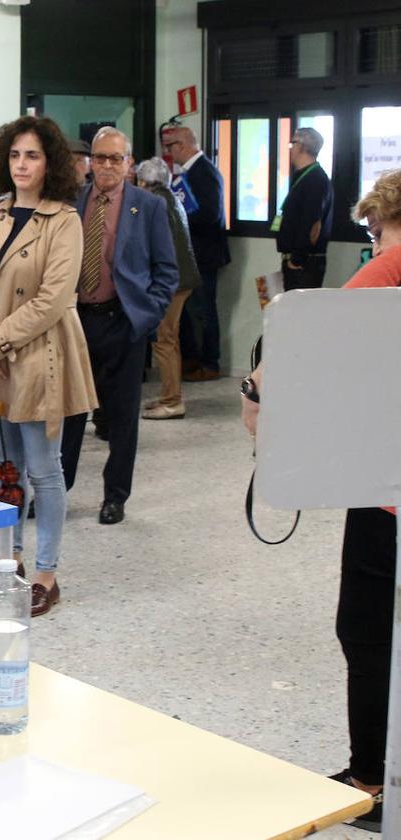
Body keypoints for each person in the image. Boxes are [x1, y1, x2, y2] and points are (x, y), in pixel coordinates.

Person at [242, 169, 401, 834]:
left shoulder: (389, 269)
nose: (374, 242)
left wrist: (256, 390)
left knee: (367, 633)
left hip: (386, 493)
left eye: (375, 229)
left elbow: (288, 378)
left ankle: (371, 776)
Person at [0, 115, 96, 617]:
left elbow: (53, 299)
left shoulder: (64, 221)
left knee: (43, 471)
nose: (21, 165)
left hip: (39, 360)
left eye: (32, 156)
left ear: (49, 163)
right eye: (15, 155)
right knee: (8, 469)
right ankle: (9, 565)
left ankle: (46, 573)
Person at [60, 127, 178, 525]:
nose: (107, 166)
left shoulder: (148, 206)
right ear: (90, 162)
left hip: (123, 321)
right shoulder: (71, 203)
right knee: (71, 413)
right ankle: (59, 489)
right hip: (76, 322)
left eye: (116, 158)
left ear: (128, 163)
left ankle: (115, 496)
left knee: (123, 417)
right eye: (100, 158)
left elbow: (167, 269)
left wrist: (148, 316)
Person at [162, 126, 231, 382]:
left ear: (183, 144)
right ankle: (191, 360)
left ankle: (210, 363)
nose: (169, 152)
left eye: (171, 146)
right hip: (190, 255)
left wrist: (180, 218)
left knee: (204, 312)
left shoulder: (205, 171)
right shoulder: (187, 173)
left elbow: (210, 214)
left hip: (204, 254)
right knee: (189, 312)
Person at [135, 157, 201, 420]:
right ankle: (168, 395)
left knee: (165, 340)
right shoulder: (172, 198)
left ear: (143, 182)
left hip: (171, 282)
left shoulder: (153, 203)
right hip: (182, 279)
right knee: (169, 339)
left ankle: (173, 401)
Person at [275, 126, 334, 292]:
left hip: (304, 264)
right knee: (286, 313)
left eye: (292, 143)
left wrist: (297, 260)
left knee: (299, 315)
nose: (290, 149)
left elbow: (314, 224)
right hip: (295, 261)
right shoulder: (303, 176)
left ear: (301, 146)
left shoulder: (315, 179)